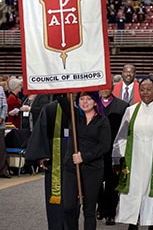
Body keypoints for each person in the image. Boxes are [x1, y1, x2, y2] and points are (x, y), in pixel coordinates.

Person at [112, 77, 153, 229]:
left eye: (149, 89)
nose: (145, 92)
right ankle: (133, 222)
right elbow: (122, 136)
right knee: (134, 192)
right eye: (142, 89)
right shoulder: (131, 110)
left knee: (152, 194)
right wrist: (116, 158)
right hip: (135, 161)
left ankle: (152, 223)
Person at [62, 91, 111, 230]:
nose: (84, 102)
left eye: (88, 99)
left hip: (93, 168)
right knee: (69, 207)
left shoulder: (103, 120)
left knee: (89, 209)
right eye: (81, 99)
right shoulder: (74, 115)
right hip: (71, 167)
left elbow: (104, 146)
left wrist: (84, 156)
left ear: (96, 101)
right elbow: (61, 100)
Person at [26, 94, 69, 230]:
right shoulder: (51, 109)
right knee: (55, 199)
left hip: (78, 159)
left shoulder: (85, 106)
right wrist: (42, 155)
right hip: (55, 157)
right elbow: (41, 131)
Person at [96, 82, 129, 226]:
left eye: (107, 87)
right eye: (101, 87)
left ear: (112, 88)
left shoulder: (122, 106)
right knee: (96, 183)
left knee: (112, 184)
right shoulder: (91, 103)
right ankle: (101, 206)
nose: (104, 90)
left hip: (114, 150)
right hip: (95, 151)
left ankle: (110, 213)